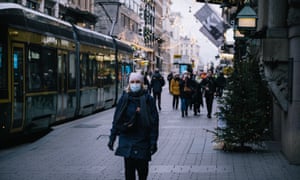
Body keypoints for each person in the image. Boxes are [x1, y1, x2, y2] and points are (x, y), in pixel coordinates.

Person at [107, 72, 159, 180]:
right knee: (129, 173)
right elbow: (116, 120)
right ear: (129, 84)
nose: (135, 84)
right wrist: (112, 138)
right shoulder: (124, 99)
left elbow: (154, 124)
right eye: (132, 82)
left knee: (142, 173)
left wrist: (153, 142)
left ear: (142, 83)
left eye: (137, 82)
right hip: (127, 140)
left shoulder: (148, 99)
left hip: (143, 141)